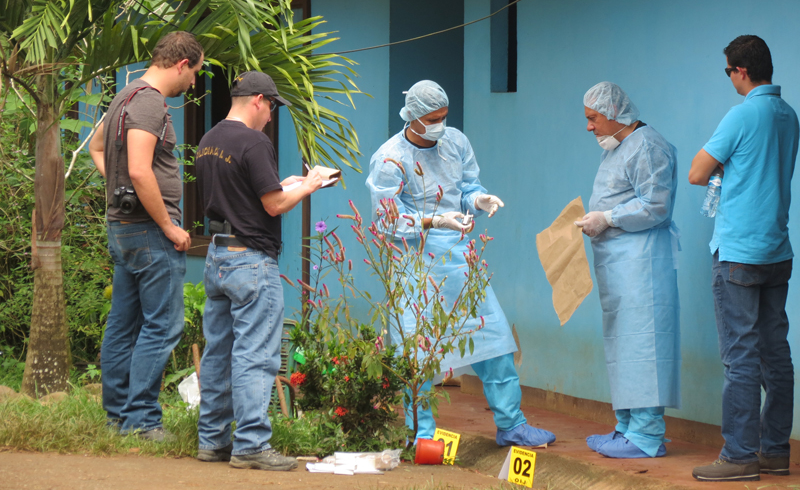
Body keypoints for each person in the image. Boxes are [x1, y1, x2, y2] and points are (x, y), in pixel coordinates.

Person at [365, 80, 556, 447]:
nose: (440, 125)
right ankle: (421, 434)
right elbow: (386, 220)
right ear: (411, 116)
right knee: (416, 352)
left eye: (444, 116)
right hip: (415, 267)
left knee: (494, 338)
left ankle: (512, 425)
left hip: (459, 261)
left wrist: (479, 199)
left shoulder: (455, 142)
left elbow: (467, 188)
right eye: (432, 119)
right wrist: (434, 220)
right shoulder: (389, 159)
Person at [194, 71, 323, 471]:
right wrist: (311, 184)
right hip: (251, 260)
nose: (270, 116)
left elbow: (240, 194)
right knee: (257, 353)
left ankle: (212, 440)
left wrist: (285, 184)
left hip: (217, 254)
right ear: (258, 101)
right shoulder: (254, 141)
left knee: (218, 351)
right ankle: (251, 444)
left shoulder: (209, 139)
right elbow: (273, 205)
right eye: (272, 107)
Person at [689, 36, 799, 482]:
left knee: (741, 357)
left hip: (738, 253)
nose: (730, 80)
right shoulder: (788, 115)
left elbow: (697, 172)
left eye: (729, 72)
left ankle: (738, 455)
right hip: (776, 250)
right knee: (776, 353)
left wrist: (723, 166)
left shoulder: (741, 114)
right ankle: (775, 451)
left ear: (741, 71)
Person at [88, 31, 203, 440]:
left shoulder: (125, 96)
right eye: (194, 73)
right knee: (162, 326)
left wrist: (120, 190)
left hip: (123, 228)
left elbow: (96, 147)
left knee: (123, 325)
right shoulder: (150, 102)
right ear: (181, 64)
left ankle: (118, 418)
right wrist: (168, 224)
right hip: (150, 232)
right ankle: (141, 419)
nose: (193, 82)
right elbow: (139, 169)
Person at [576, 82, 680, 459]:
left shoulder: (647, 146)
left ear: (615, 113)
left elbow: (656, 205)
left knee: (642, 346)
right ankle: (626, 427)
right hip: (620, 265)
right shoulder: (618, 148)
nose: (589, 126)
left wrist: (607, 217)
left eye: (593, 118)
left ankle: (646, 435)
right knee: (623, 346)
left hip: (642, 265)